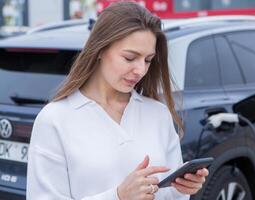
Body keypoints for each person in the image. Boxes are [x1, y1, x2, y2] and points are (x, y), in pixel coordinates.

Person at [26, 2, 209, 200]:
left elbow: (171, 197)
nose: (140, 70)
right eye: (130, 58)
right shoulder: (55, 119)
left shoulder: (158, 114)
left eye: (147, 60)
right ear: (100, 49)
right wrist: (118, 196)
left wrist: (180, 188)